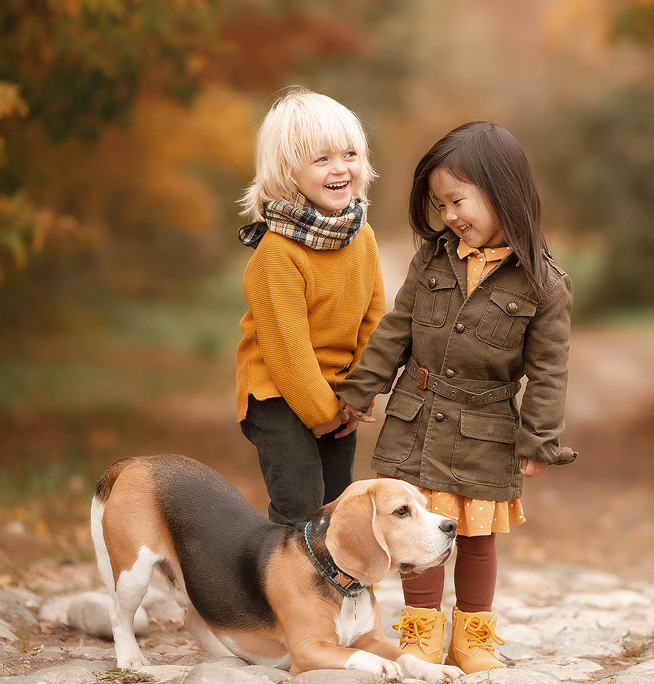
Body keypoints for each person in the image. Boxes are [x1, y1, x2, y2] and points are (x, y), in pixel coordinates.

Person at [337, 120, 577, 674]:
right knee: (418, 531)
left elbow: (548, 369)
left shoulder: (544, 284)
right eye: (440, 204)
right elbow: (398, 328)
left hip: (485, 430)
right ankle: (419, 634)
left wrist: (539, 438)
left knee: (476, 538)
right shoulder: (432, 260)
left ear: (503, 195)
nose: (448, 216)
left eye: (456, 200)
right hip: (416, 419)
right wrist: (362, 387)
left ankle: (474, 636)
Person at [235, 86, 385, 526]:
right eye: (321, 160)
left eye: (349, 155)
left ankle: (337, 592)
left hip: (339, 393)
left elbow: (375, 322)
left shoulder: (363, 237)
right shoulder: (277, 253)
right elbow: (287, 351)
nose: (340, 169)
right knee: (301, 505)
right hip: (277, 394)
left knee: (339, 506)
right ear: (287, 173)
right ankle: (283, 592)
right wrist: (323, 414)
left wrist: (357, 397)